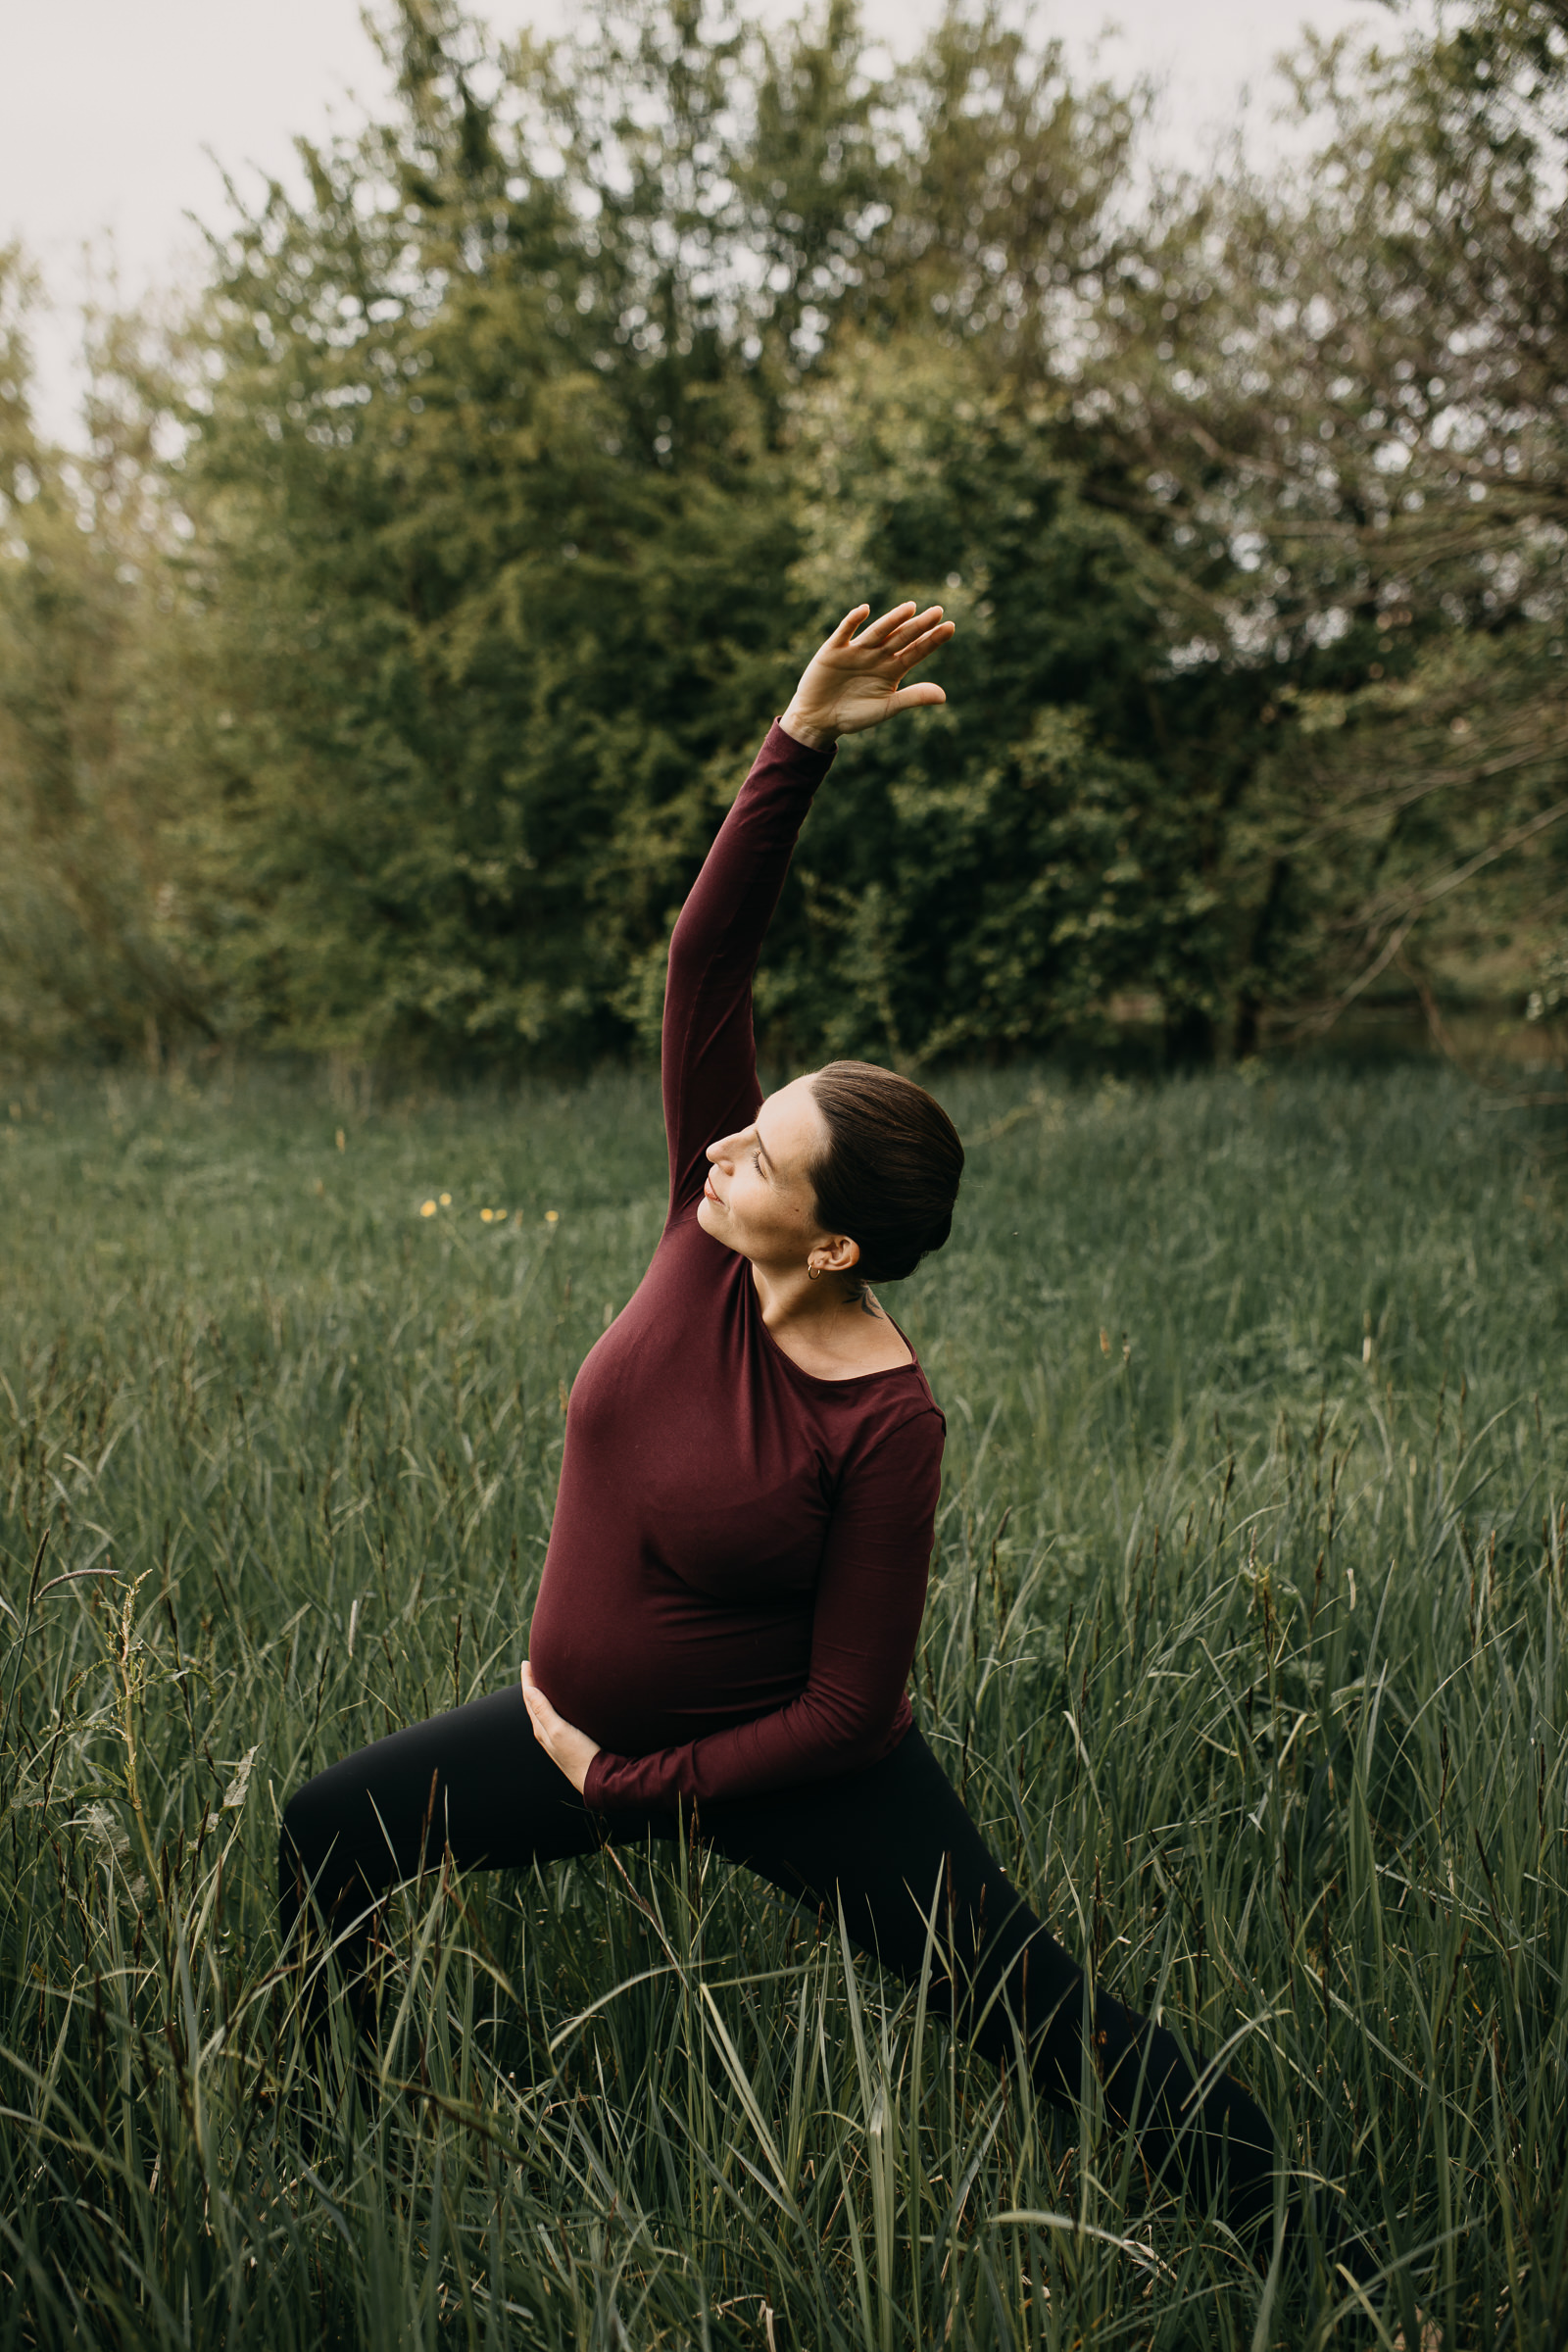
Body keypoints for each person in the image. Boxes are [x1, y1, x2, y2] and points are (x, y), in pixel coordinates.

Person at [279, 600, 1282, 2253]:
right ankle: (334, 2140)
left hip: (779, 1779)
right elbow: (706, 959)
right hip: (574, 1740)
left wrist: (633, 1783)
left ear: (830, 1243)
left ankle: (1308, 2237)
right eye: (741, 1119)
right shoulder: (701, 1232)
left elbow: (844, 1707)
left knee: (1042, 2023)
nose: (719, 1148)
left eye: (762, 1153)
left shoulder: (887, 1422)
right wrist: (798, 738)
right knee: (332, 1836)